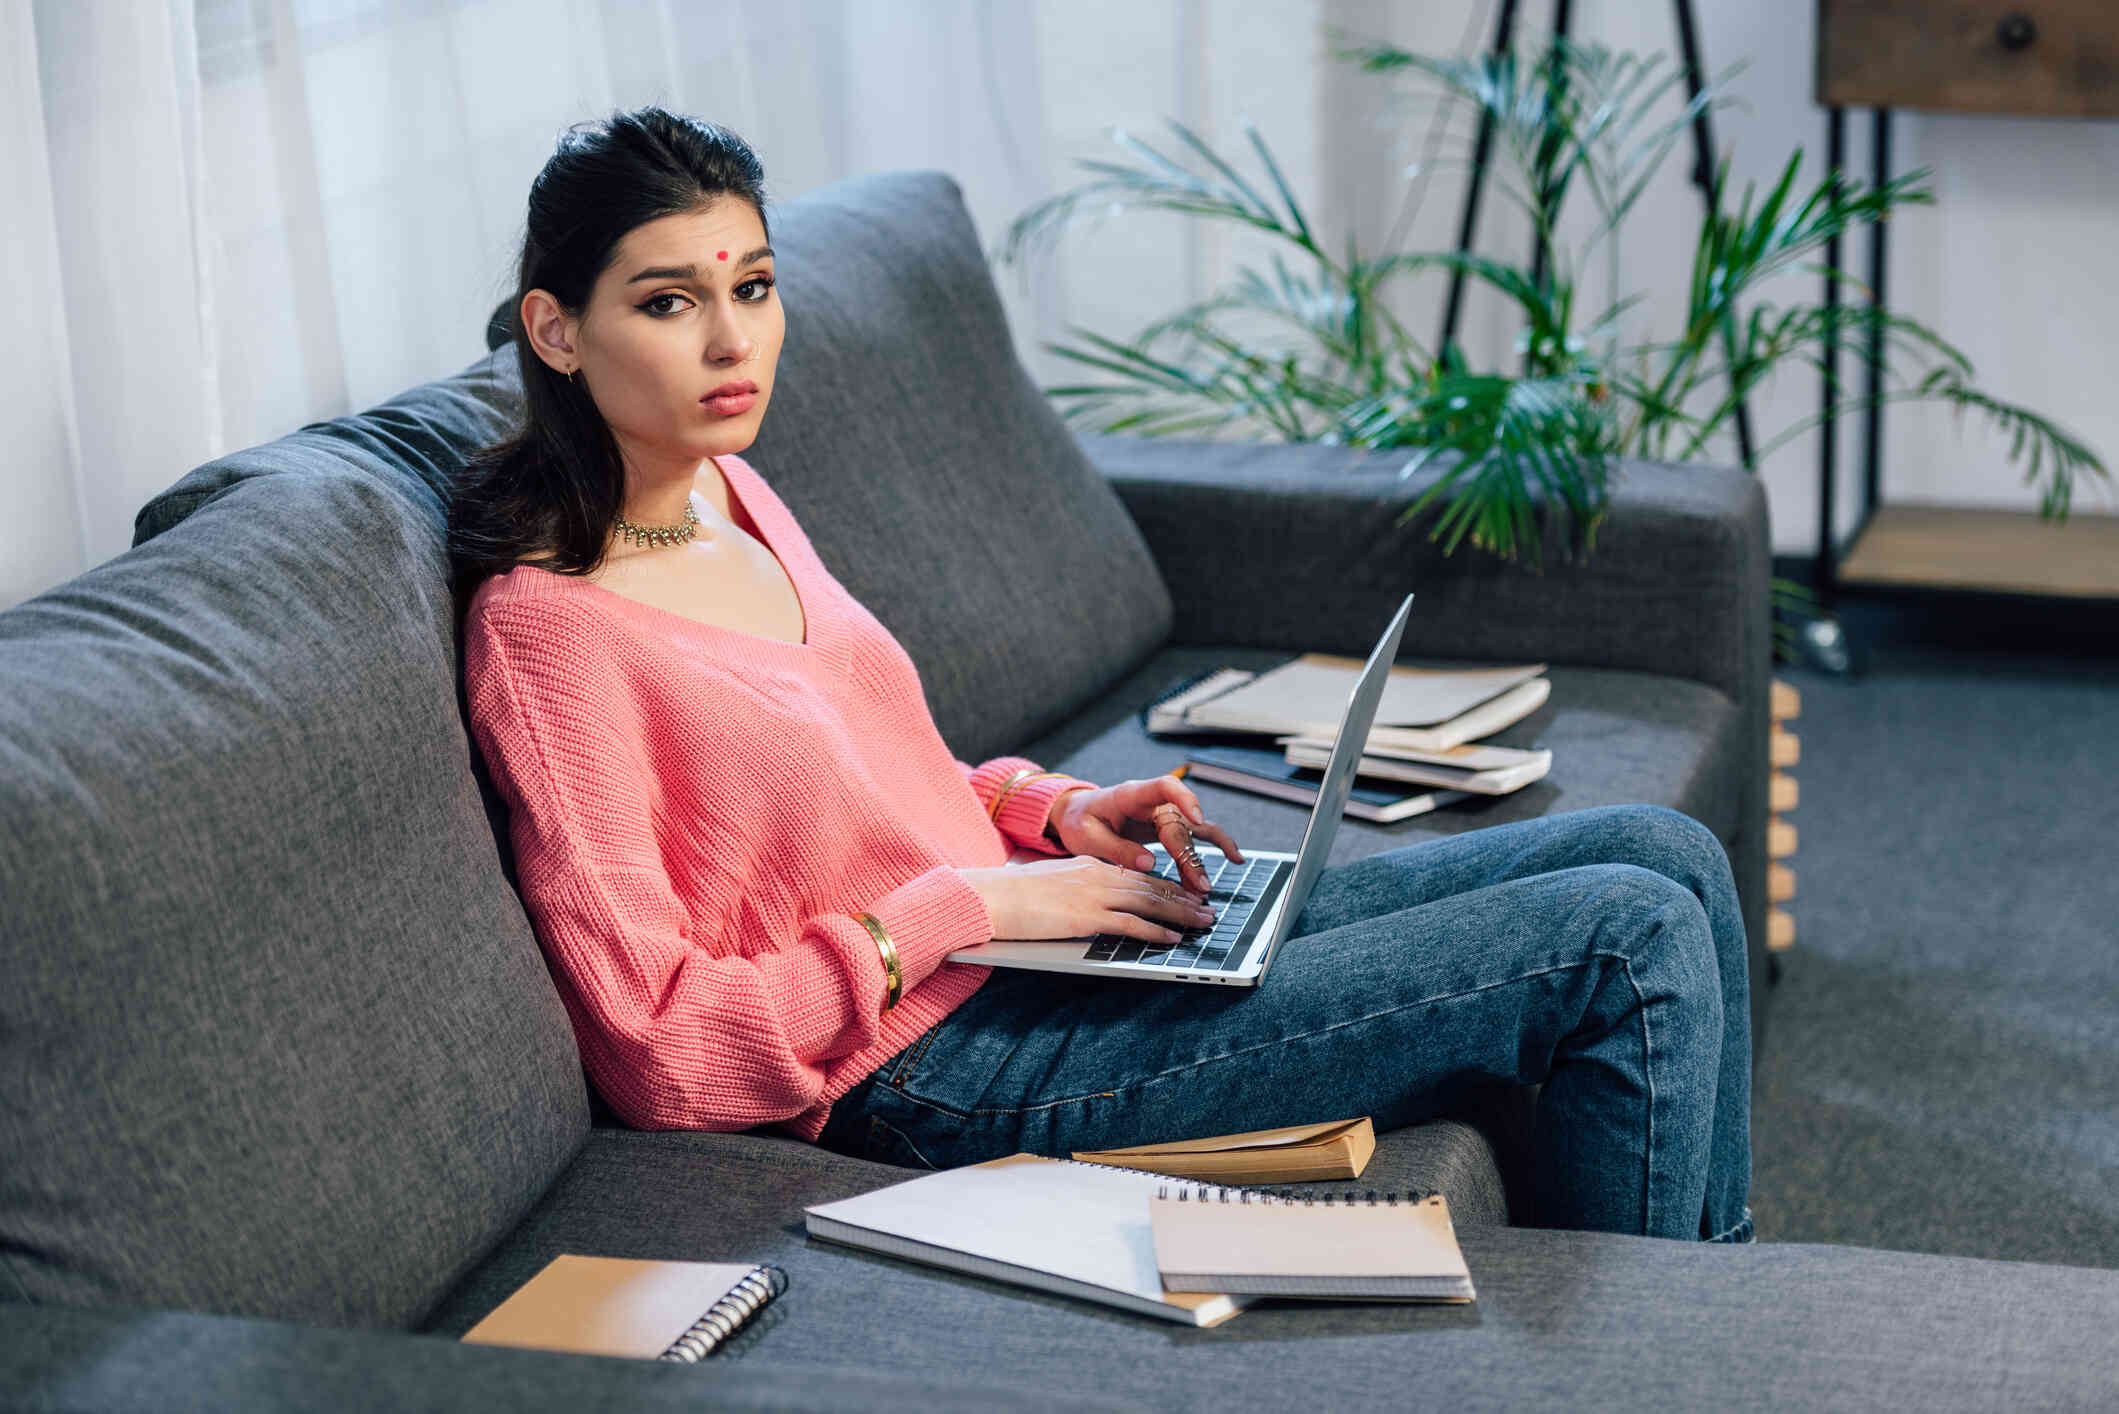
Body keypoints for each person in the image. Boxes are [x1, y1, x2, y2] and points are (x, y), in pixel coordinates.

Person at [449, 106, 1754, 1244]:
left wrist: (1050, 811)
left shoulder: (730, 489)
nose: (733, 341)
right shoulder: (550, 631)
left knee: (1665, 850)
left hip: (1040, 944)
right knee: (1621, 940)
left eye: (754, 286)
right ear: (559, 330)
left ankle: (1720, 1314)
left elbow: (856, 776)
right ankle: (1656, 1357)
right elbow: (661, 1050)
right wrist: (971, 907)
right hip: (935, 1072)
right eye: (668, 301)